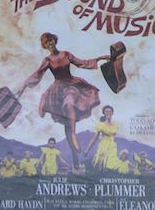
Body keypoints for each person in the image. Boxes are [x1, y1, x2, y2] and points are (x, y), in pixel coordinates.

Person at [16, 31, 110, 171]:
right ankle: (75, 159)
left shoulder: (66, 54)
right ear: (45, 46)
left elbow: (82, 63)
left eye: (51, 40)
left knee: (69, 103)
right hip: (58, 91)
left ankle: (73, 135)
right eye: (47, 43)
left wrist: (100, 58)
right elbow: (37, 74)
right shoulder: (48, 60)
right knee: (67, 126)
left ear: (55, 40)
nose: (50, 43)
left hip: (72, 86)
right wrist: (23, 86)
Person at [90, 105, 131, 173]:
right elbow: (95, 138)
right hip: (104, 145)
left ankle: (120, 170)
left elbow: (113, 134)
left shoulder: (115, 124)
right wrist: (87, 150)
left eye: (110, 111)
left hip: (112, 146)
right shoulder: (101, 125)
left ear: (112, 113)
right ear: (104, 113)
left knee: (111, 163)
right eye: (106, 111)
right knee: (102, 163)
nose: (108, 113)